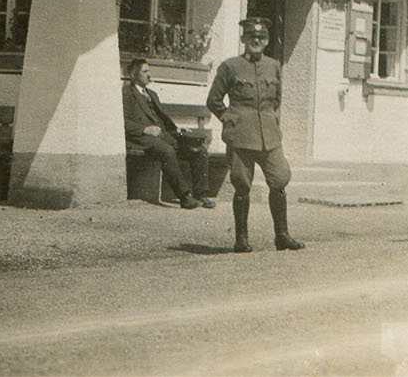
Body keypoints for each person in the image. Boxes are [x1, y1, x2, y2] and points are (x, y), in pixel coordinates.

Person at [207, 17, 304, 252]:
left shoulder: (273, 66)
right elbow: (214, 100)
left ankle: (282, 235)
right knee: (242, 185)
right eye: (252, 37)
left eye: (261, 38)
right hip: (241, 137)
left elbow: (276, 99)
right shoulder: (230, 67)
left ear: (267, 41)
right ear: (243, 40)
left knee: (280, 179)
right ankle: (241, 239)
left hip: (269, 136)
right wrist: (230, 118)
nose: (256, 41)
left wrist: (269, 119)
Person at [123, 57, 213, 210]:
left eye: (149, 71)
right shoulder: (126, 94)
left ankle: (201, 194)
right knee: (167, 151)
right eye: (145, 72)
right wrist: (144, 129)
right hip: (141, 138)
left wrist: (176, 129)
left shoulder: (152, 94)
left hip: (162, 136)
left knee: (198, 149)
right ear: (133, 74)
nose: (149, 75)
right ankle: (184, 196)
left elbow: (161, 119)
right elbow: (121, 121)